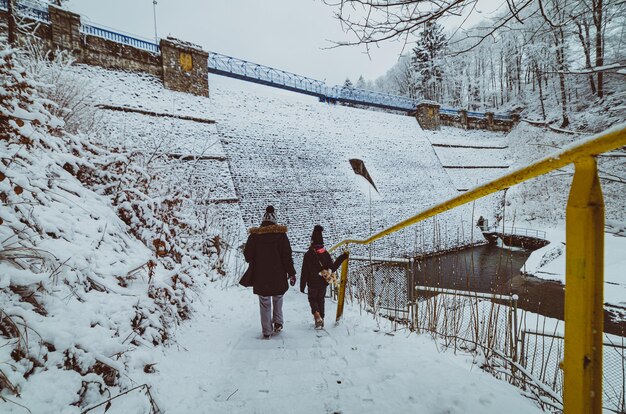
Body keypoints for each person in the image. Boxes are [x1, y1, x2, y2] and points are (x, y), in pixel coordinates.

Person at [244, 206, 296, 339]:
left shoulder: (254, 237)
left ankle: (267, 331)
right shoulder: (281, 236)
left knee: (264, 301)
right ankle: (278, 322)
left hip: (261, 276)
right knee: (278, 298)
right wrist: (291, 273)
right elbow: (287, 256)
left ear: (263, 221)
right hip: (278, 275)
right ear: (275, 221)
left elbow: (248, 256)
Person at [300, 225, 348, 329]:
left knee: (312, 299)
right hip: (323, 283)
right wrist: (342, 257)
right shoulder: (325, 253)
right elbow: (333, 267)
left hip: (312, 283)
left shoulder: (308, 255)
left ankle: (317, 316)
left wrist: (302, 285)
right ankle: (322, 320)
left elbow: (304, 271)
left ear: (312, 241)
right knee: (321, 299)